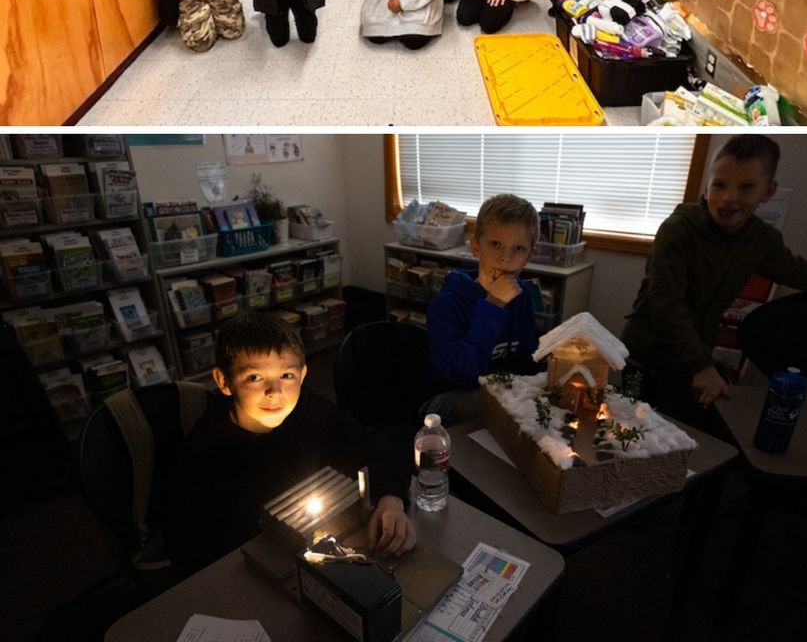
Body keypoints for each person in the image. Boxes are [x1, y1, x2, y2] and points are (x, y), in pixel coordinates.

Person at [164, 313, 416, 574]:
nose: (275, 392)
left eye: (286, 375)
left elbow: (376, 443)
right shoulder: (203, 453)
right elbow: (189, 545)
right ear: (223, 381)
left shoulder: (309, 410)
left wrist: (391, 499)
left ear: (303, 374)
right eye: (254, 378)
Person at [621, 135, 807, 428]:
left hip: (693, 358)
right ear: (707, 185)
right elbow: (666, 305)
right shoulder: (678, 231)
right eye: (720, 185)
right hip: (648, 354)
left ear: (768, 191)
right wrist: (702, 365)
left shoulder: (761, 240)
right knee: (630, 429)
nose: (729, 198)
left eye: (746, 187)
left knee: (679, 435)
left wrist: (701, 364)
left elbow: (798, 271)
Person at [415, 194, 541, 426]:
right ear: (476, 247)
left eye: (519, 248)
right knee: (490, 407)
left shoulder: (522, 298)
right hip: (445, 397)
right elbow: (462, 375)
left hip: (498, 391)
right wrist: (493, 305)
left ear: (530, 254)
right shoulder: (447, 304)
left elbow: (526, 358)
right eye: (495, 245)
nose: (506, 258)